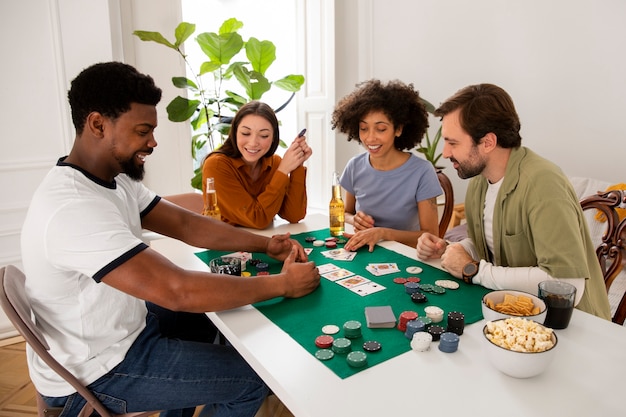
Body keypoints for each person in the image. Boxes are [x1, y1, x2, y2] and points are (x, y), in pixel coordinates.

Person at [20, 62, 321, 417]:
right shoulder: (72, 206)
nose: (153, 141)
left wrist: (265, 245)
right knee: (255, 379)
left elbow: (187, 225)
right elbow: (178, 291)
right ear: (98, 124)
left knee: (208, 316)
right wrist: (284, 285)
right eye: (143, 131)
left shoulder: (114, 179)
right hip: (97, 371)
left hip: (120, 334)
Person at [415, 83, 611, 319]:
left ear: (487, 142)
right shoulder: (479, 180)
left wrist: (474, 271)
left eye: (453, 143)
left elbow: (567, 285)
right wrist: (452, 250)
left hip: (572, 325)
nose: (445, 153)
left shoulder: (543, 184)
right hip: (515, 314)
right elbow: (493, 244)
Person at [331, 79, 442, 252]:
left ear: (398, 129)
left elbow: (431, 235)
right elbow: (345, 213)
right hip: (364, 251)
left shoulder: (422, 171)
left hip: (406, 255)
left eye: (381, 129)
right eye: (364, 128)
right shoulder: (354, 166)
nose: (370, 138)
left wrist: (382, 233)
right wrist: (354, 220)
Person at [202, 101, 311, 229]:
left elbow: (294, 215)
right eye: (245, 133)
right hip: (223, 243)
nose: (253, 143)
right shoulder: (216, 165)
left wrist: (297, 164)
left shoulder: (274, 163)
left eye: (264, 135)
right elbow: (257, 219)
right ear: (235, 132)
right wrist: (283, 170)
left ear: (273, 137)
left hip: (262, 242)